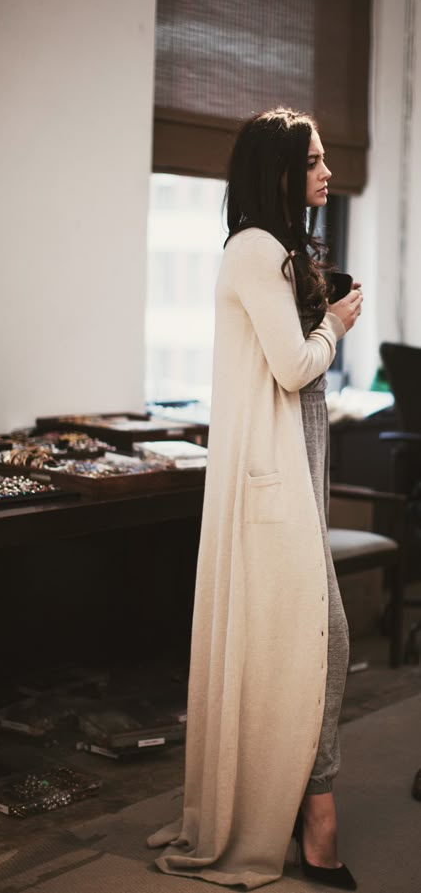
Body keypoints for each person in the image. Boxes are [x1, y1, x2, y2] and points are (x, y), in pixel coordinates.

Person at [148, 107, 363, 890]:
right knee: (327, 637)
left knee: (302, 647)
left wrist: (320, 312)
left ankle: (300, 810)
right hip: (273, 490)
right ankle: (317, 818)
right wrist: (335, 325)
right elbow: (295, 366)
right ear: (278, 172)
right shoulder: (256, 248)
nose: (328, 171)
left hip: (296, 478)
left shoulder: (271, 249)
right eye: (313, 160)